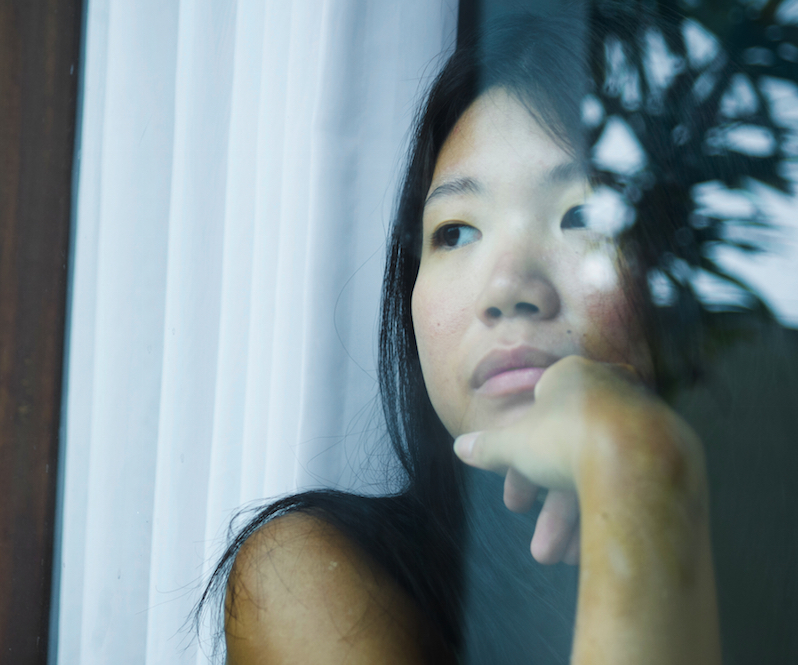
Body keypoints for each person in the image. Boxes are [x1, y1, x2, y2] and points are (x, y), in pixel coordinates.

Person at [196, 4, 795, 663]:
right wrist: (637, 468)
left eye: (581, 216)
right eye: (455, 232)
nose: (508, 286)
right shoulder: (311, 580)